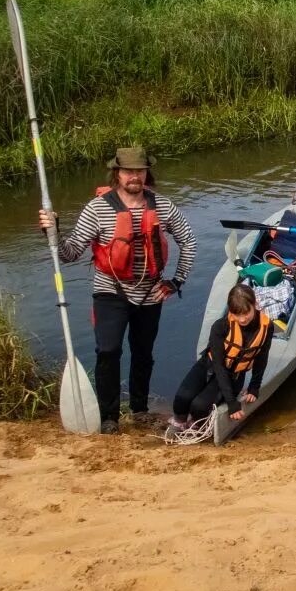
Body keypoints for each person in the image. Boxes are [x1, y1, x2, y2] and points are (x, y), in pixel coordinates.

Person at [38, 146, 197, 435]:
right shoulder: (97, 209)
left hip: (151, 292)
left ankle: (139, 410)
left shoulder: (162, 206)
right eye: (128, 171)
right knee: (107, 351)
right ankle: (109, 415)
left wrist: (177, 281)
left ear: (147, 172)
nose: (134, 176)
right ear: (117, 173)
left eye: (140, 170)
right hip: (110, 290)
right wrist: (54, 231)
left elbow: (189, 242)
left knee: (143, 353)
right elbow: (70, 253)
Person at [168, 284, 270, 433]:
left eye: (246, 313)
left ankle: (197, 423)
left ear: (255, 305)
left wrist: (254, 387)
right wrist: (231, 402)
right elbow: (218, 365)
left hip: (234, 375)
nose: (242, 319)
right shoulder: (220, 326)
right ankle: (179, 422)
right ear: (230, 311)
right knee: (181, 399)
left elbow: (262, 356)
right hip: (210, 365)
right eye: (236, 314)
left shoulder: (266, 327)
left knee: (199, 407)